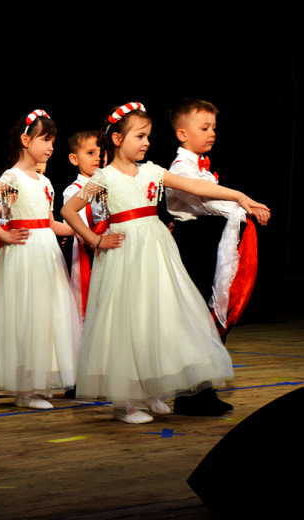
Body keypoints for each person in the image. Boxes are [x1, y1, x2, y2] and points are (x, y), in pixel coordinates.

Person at [61, 102, 270, 423]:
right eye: (139, 136)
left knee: (154, 319)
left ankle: (150, 391)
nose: (146, 142)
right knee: (127, 321)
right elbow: (69, 211)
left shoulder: (152, 171)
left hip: (155, 251)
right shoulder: (104, 177)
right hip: (125, 255)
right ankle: (125, 400)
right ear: (117, 139)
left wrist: (240, 196)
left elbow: (197, 186)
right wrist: (96, 239)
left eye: (148, 136)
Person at [0, 109, 80, 409]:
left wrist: (83, 231)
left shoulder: (44, 180)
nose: (51, 146)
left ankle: (39, 382)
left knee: (46, 312)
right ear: (25, 140)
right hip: (24, 252)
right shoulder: (12, 177)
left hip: (46, 250)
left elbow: (49, 221)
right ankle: (25, 389)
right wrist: (1, 234)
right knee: (26, 313)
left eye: (53, 140)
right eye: (45, 139)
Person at [165, 99, 269, 342]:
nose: (212, 133)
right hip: (192, 239)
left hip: (207, 235)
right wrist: (246, 210)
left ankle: (209, 358)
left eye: (213, 128)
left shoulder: (203, 168)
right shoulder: (180, 168)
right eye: (204, 128)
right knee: (196, 299)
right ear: (182, 133)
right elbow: (207, 201)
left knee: (213, 296)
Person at [62, 130, 107, 322]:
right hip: (90, 252)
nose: (98, 157)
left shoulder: (112, 183)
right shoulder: (74, 191)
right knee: (92, 306)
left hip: (112, 249)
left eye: (101, 152)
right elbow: (80, 230)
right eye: (90, 153)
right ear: (74, 159)